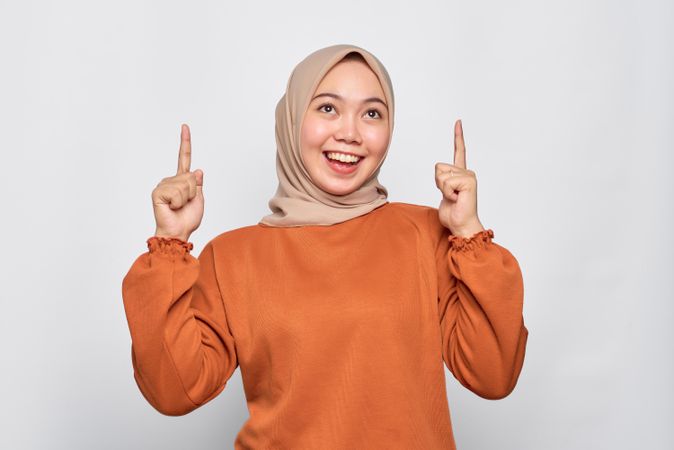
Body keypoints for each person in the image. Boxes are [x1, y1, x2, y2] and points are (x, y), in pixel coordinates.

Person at [121, 44, 529, 449]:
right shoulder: (232, 257)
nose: (349, 133)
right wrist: (172, 243)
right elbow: (174, 392)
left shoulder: (427, 234)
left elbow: (493, 376)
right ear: (293, 118)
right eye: (328, 108)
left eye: (372, 113)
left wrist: (469, 233)